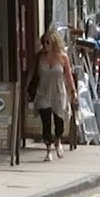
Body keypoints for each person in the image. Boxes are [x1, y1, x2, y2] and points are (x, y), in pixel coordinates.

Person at [28, 29, 77, 161]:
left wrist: (73, 91)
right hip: (43, 92)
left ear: (54, 42)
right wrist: (27, 87)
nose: (44, 45)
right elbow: (33, 73)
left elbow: (68, 75)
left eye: (47, 42)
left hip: (58, 92)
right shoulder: (40, 57)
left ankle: (58, 140)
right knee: (46, 122)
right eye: (43, 42)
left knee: (59, 120)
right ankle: (48, 149)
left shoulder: (63, 57)